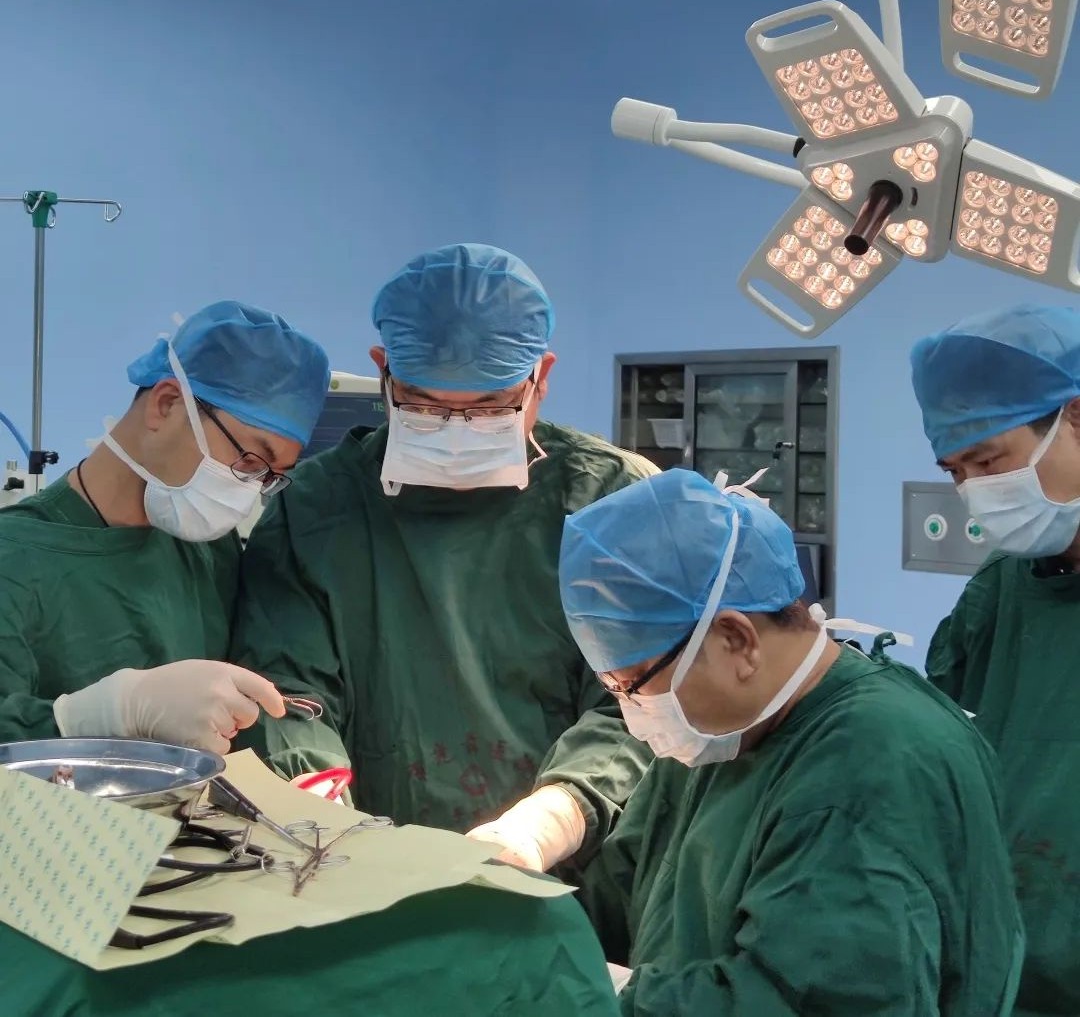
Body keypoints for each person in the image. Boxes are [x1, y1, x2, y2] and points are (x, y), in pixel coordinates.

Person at [231, 242, 656, 872]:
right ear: (383, 373)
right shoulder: (317, 507)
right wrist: (322, 811)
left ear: (541, 378)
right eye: (424, 406)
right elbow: (287, 689)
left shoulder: (610, 501)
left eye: (491, 409)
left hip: (579, 870)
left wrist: (553, 821)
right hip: (361, 864)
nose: (458, 431)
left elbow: (647, 696)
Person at [559, 467, 1024, 1015]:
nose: (634, 710)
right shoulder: (722, 735)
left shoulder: (872, 764)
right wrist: (524, 930)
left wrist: (580, 997)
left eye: (634, 685)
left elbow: (814, 1001)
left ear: (736, 640)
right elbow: (625, 889)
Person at [0, 300, 330, 754]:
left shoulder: (210, 549)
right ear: (167, 403)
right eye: (250, 461)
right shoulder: (14, 559)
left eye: (268, 477)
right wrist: (105, 714)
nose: (249, 489)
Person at [911, 303, 1080, 1017]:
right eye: (956, 471)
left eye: (988, 461)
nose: (975, 491)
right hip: (1004, 976)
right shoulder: (1004, 587)